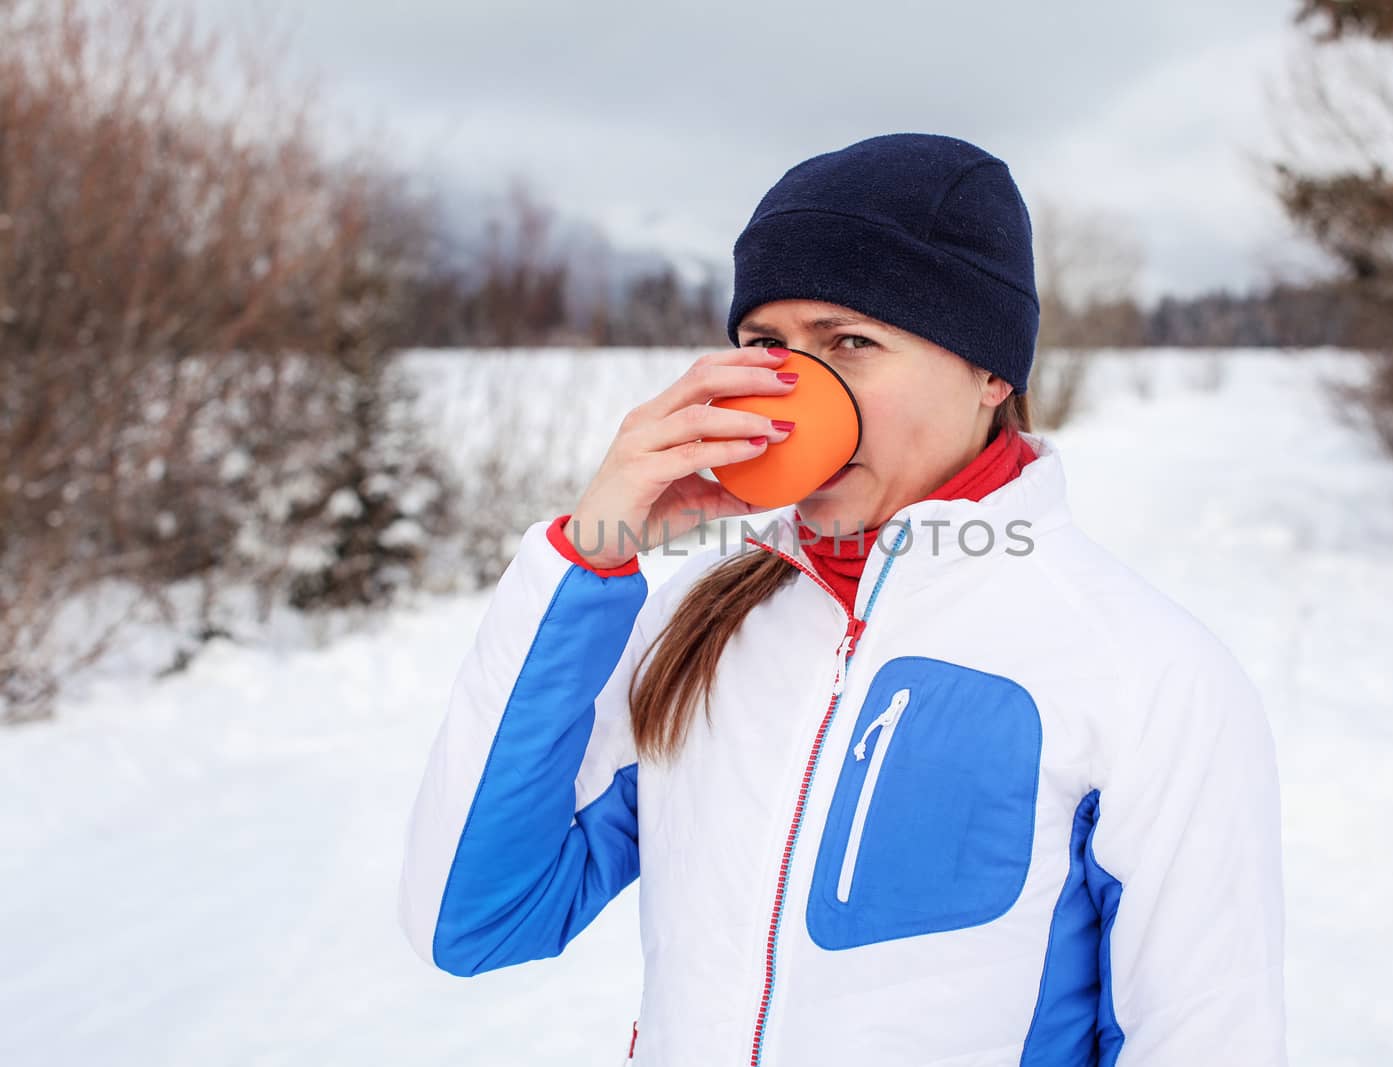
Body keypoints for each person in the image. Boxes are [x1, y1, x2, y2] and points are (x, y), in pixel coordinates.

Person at [397, 132, 1287, 1066]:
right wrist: (592, 555)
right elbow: (476, 917)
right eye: (764, 347)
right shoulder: (700, 626)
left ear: (991, 370)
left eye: (849, 343)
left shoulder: (1142, 672)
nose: (793, 396)